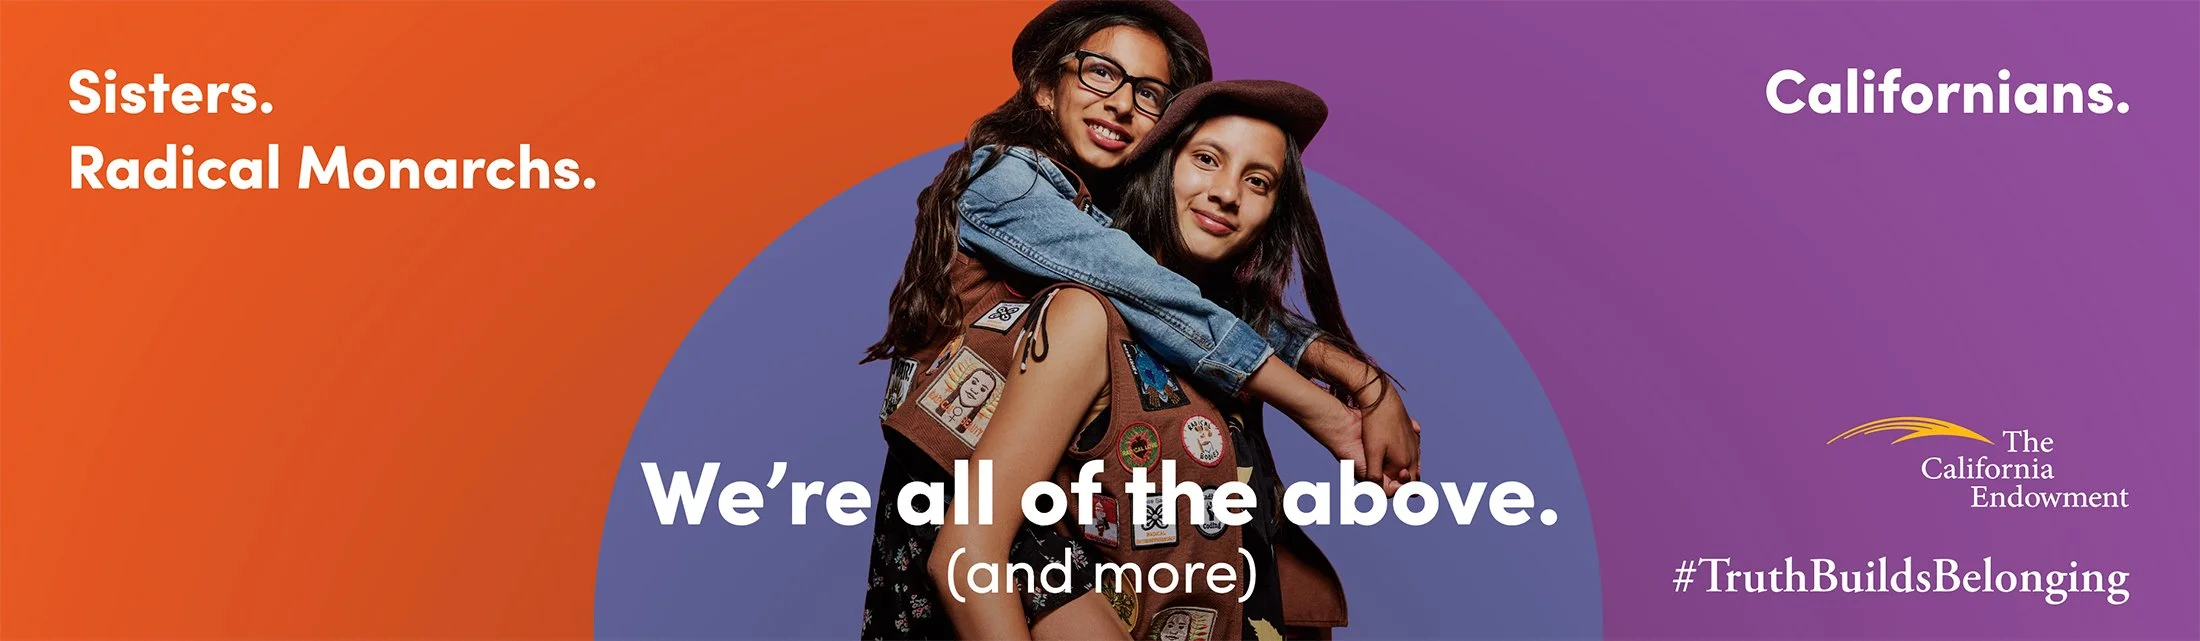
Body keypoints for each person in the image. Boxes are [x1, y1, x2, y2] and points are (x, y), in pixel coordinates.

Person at [919, 79, 1390, 640]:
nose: (1227, 193)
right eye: (1206, 160)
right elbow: (974, 555)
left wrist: (1370, 385)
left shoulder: (1234, 346)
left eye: (1258, 181)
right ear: (1159, 166)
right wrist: (1334, 407)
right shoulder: (1086, 317)